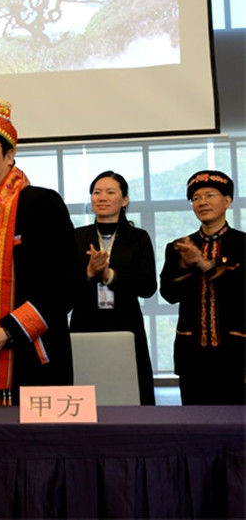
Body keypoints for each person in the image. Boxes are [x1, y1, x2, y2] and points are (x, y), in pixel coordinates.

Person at [0, 93, 78, 405]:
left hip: (34, 364)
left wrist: (7, 332)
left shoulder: (41, 204)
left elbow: (65, 286)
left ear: (9, 155)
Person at [70, 171, 157, 404]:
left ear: (124, 200)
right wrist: (89, 272)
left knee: (129, 392)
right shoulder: (77, 237)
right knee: (85, 393)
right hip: (85, 324)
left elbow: (148, 286)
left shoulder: (138, 238)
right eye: (96, 192)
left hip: (126, 323)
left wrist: (111, 275)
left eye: (110, 192)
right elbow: (63, 287)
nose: (102, 197)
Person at [159, 170, 245, 405]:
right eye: (196, 198)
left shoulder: (242, 244)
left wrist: (204, 265)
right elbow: (168, 294)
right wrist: (185, 267)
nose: (202, 202)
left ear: (227, 200)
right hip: (191, 354)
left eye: (210, 195)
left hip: (236, 352)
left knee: (238, 420)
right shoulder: (178, 247)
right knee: (194, 420)